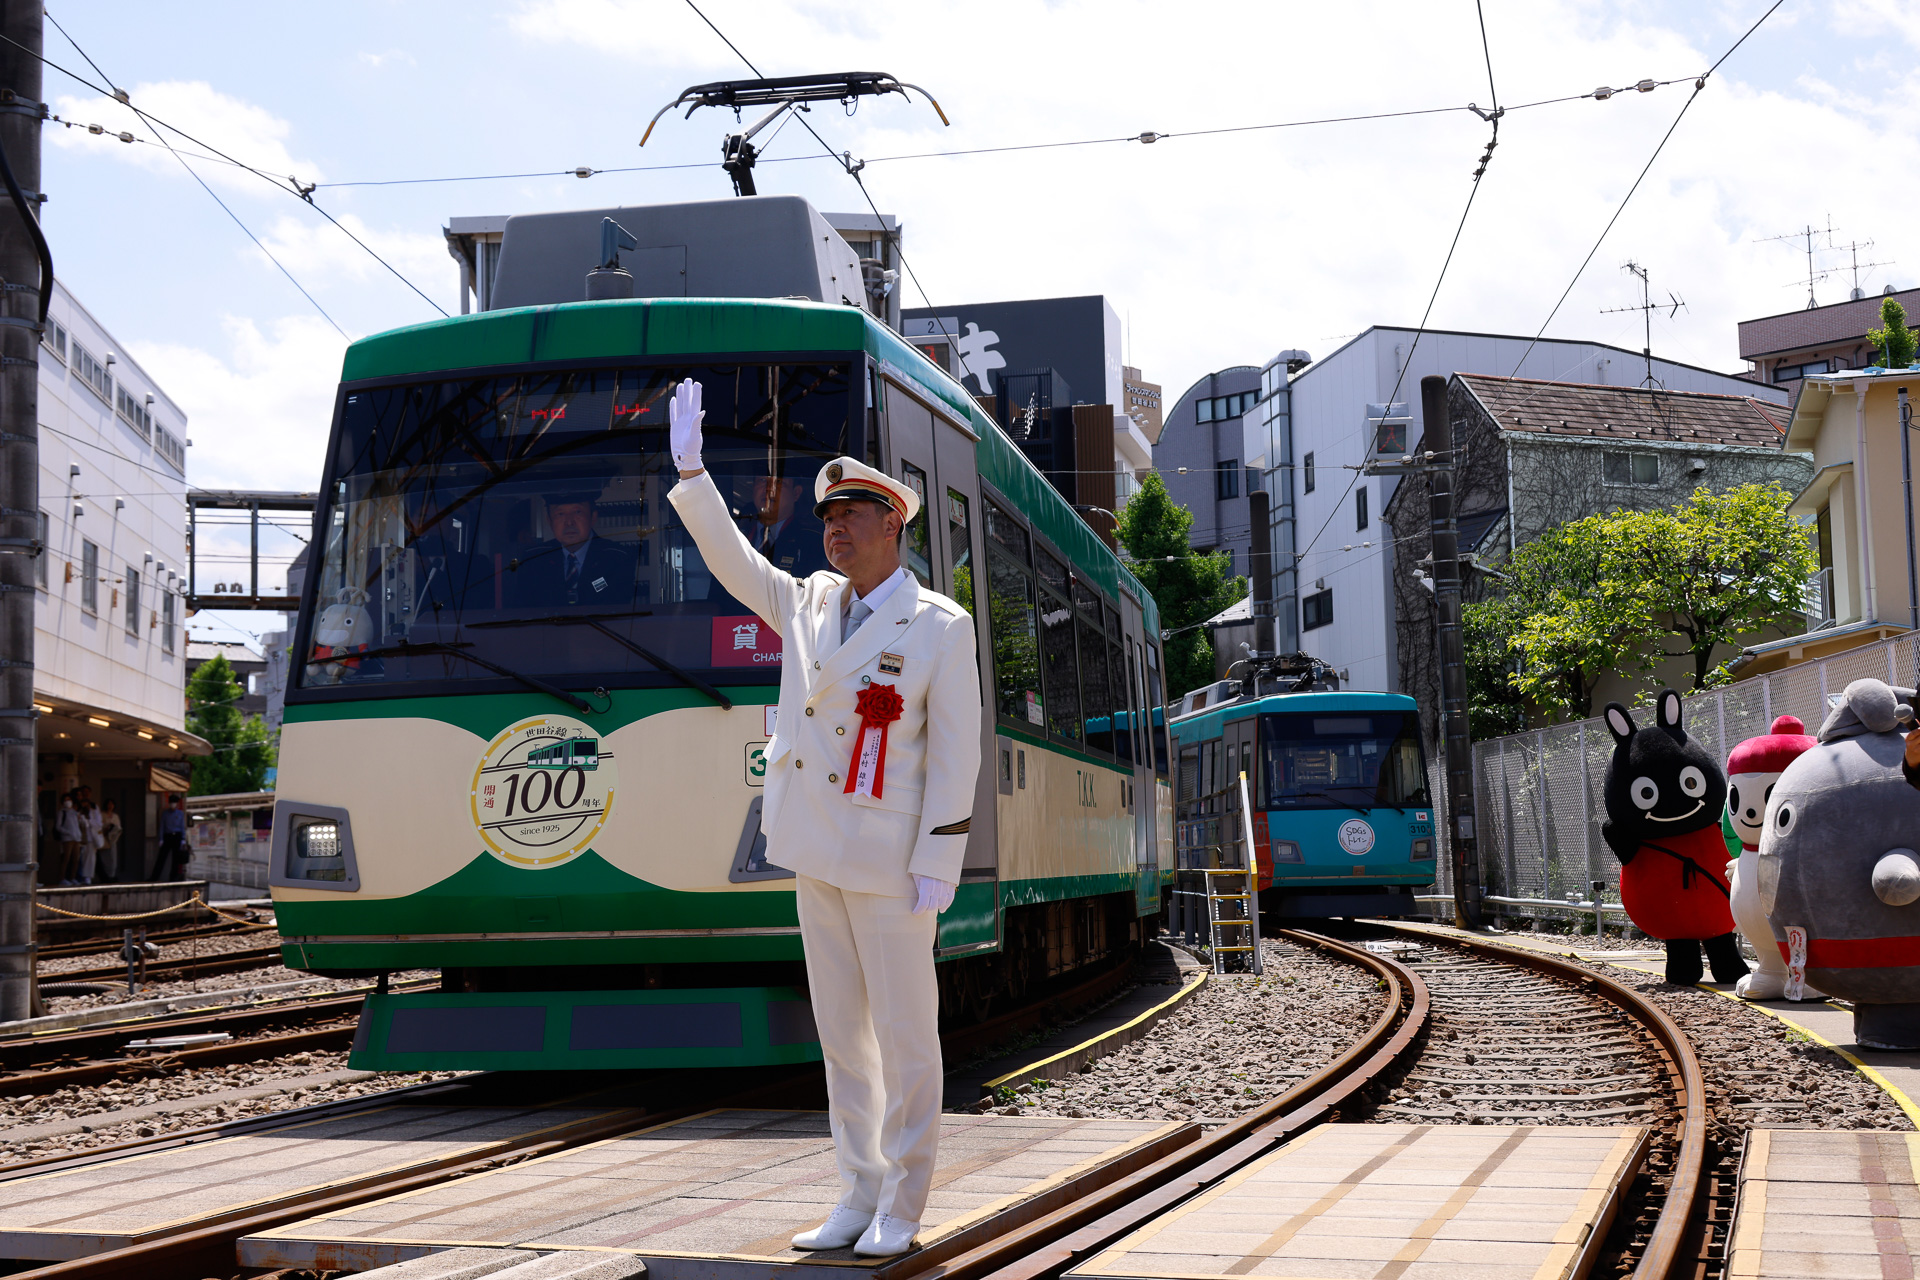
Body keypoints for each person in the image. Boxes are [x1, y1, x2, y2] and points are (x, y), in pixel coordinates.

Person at [668, 378, 981, 1259]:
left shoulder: (938, 625)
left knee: (905, 1040)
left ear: (893, 524)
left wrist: (939, 860)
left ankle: (903, 1205)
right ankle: (856, 1192)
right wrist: (692, 476)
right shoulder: (808, 601)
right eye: (828, 520)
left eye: (851, 517)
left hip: (891, 861)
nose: (834, 531)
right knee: (843, 1038)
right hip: (814, 848)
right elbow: (737, 564)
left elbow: (957, 753)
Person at [504, 491, 635, 608]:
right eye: (560, 514)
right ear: (549, 521)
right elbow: (523, 610)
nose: (569, 522)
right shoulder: (534, 560)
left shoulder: (616, 558)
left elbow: (617, 607)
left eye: (577, 512)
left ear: (593, 517)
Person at [738, 473, 831, 579]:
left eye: (779, 482)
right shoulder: (736, 533)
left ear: (796, 493)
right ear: (753, 488)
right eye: (762, 480)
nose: (769, 489)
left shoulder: (812, 541)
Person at [54, 792, 83, 885]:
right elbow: (58, 826)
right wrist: (68, 832)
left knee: (75, 859)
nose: (68, 801)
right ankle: (62, 878)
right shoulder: (62, 812)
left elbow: (78, 825)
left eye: (69, 799)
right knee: (66, 859)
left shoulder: (74, 812)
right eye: (65, 800)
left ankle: (72, 877)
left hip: (76, 839)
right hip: (67, 839)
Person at [157, 795, 188, 882]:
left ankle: (173, 878)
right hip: (167, 836)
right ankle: (155, 877)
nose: (173, 804)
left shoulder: (180, 813)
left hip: (177, 836)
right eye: (171, 803)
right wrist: (161, 838)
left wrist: (183, 839)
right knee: (161, 857)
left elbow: (182, 826)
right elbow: (162, 826)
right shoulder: (165, 814)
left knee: (176, 859)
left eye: (174, 803)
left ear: (177, 804)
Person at [98, 800, 123, 884]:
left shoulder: (115, 816)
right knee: (104, 859)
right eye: (109, 804)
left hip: (112, 840)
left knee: (112, 860)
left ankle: (111, 876)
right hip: (104, 839)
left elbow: (119, 828)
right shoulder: (102, 815)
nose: (110, 806)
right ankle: (104, 877)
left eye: (112, 804)